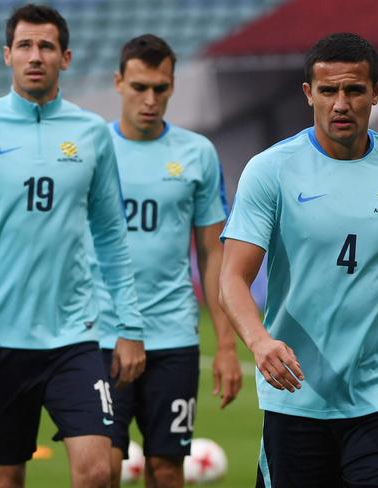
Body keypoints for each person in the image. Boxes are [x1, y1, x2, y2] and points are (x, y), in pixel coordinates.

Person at [0, 4, 145, 487]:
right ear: (7, 55)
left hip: (75, 337)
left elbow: (111, 234)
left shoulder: (91, 133)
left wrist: (129, 324)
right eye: (25, 45)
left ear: (65, 57)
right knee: (4, 479)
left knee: (96, 472)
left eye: (46, 46)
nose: (35, 55)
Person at [219, 32, 378, 487]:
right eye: (328, 90)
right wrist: (260, 342)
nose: (341, 103)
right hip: (297, 400)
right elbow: (232, 279)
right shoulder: (270, 170)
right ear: (308, 94)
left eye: (355, 90)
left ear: (376, 92)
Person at [91, 34, 242, 488]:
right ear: (119, 83)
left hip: (173, 336)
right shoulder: (93, 149)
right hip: (102, 332)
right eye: (139, 87)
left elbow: (215, 251)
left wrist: (228, 347)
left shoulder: (196, 154)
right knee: (101, 467)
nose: (150, 99)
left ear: (172, 86)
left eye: (161, 87)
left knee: (167, 469)